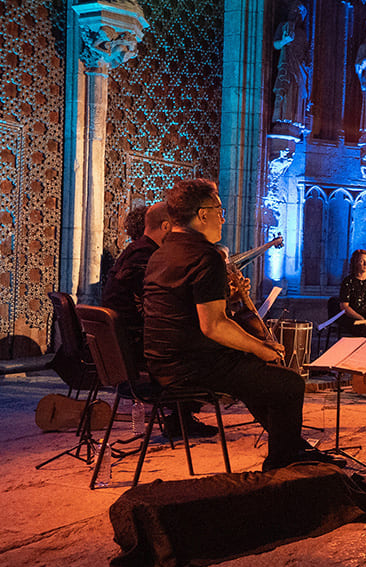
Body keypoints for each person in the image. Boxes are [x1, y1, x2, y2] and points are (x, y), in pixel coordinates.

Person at [143, 179, 337, 471]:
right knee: (289, 384)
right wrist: (261, 347)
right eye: (219, 210)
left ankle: (293, 448)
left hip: (162, 362)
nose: (223, 217)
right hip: (191, 367)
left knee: (258, 379)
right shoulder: (205, 256)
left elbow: (189, 307)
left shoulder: (161, 254)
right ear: (202, 214)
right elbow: (214, 326)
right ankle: (283, 462)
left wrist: (227, 294)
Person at [102, 202, 171, 364]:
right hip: (133, 345)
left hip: (125, 339)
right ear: (166, 226)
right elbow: (159, 302)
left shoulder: (137, 250)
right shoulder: (144, 255)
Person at [271, 2, 310, 129]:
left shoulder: (303, 34)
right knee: (284, 90)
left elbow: (306, 52)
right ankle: (281, 119)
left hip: (299, 69)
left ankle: (294, 120)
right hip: (286, 64)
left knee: (296, 93)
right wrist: (284, 41)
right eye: (294, 11)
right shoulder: (284, 26)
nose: (296, 15)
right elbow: (276, 45)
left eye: (300, 13)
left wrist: (306, 63)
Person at [338, 249, 366, 336]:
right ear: (355, 263)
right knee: (362, 330)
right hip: (352, 317)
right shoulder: (348, 281)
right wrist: (360, 318)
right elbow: (344, 306)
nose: (365, 264)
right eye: (362, 261)